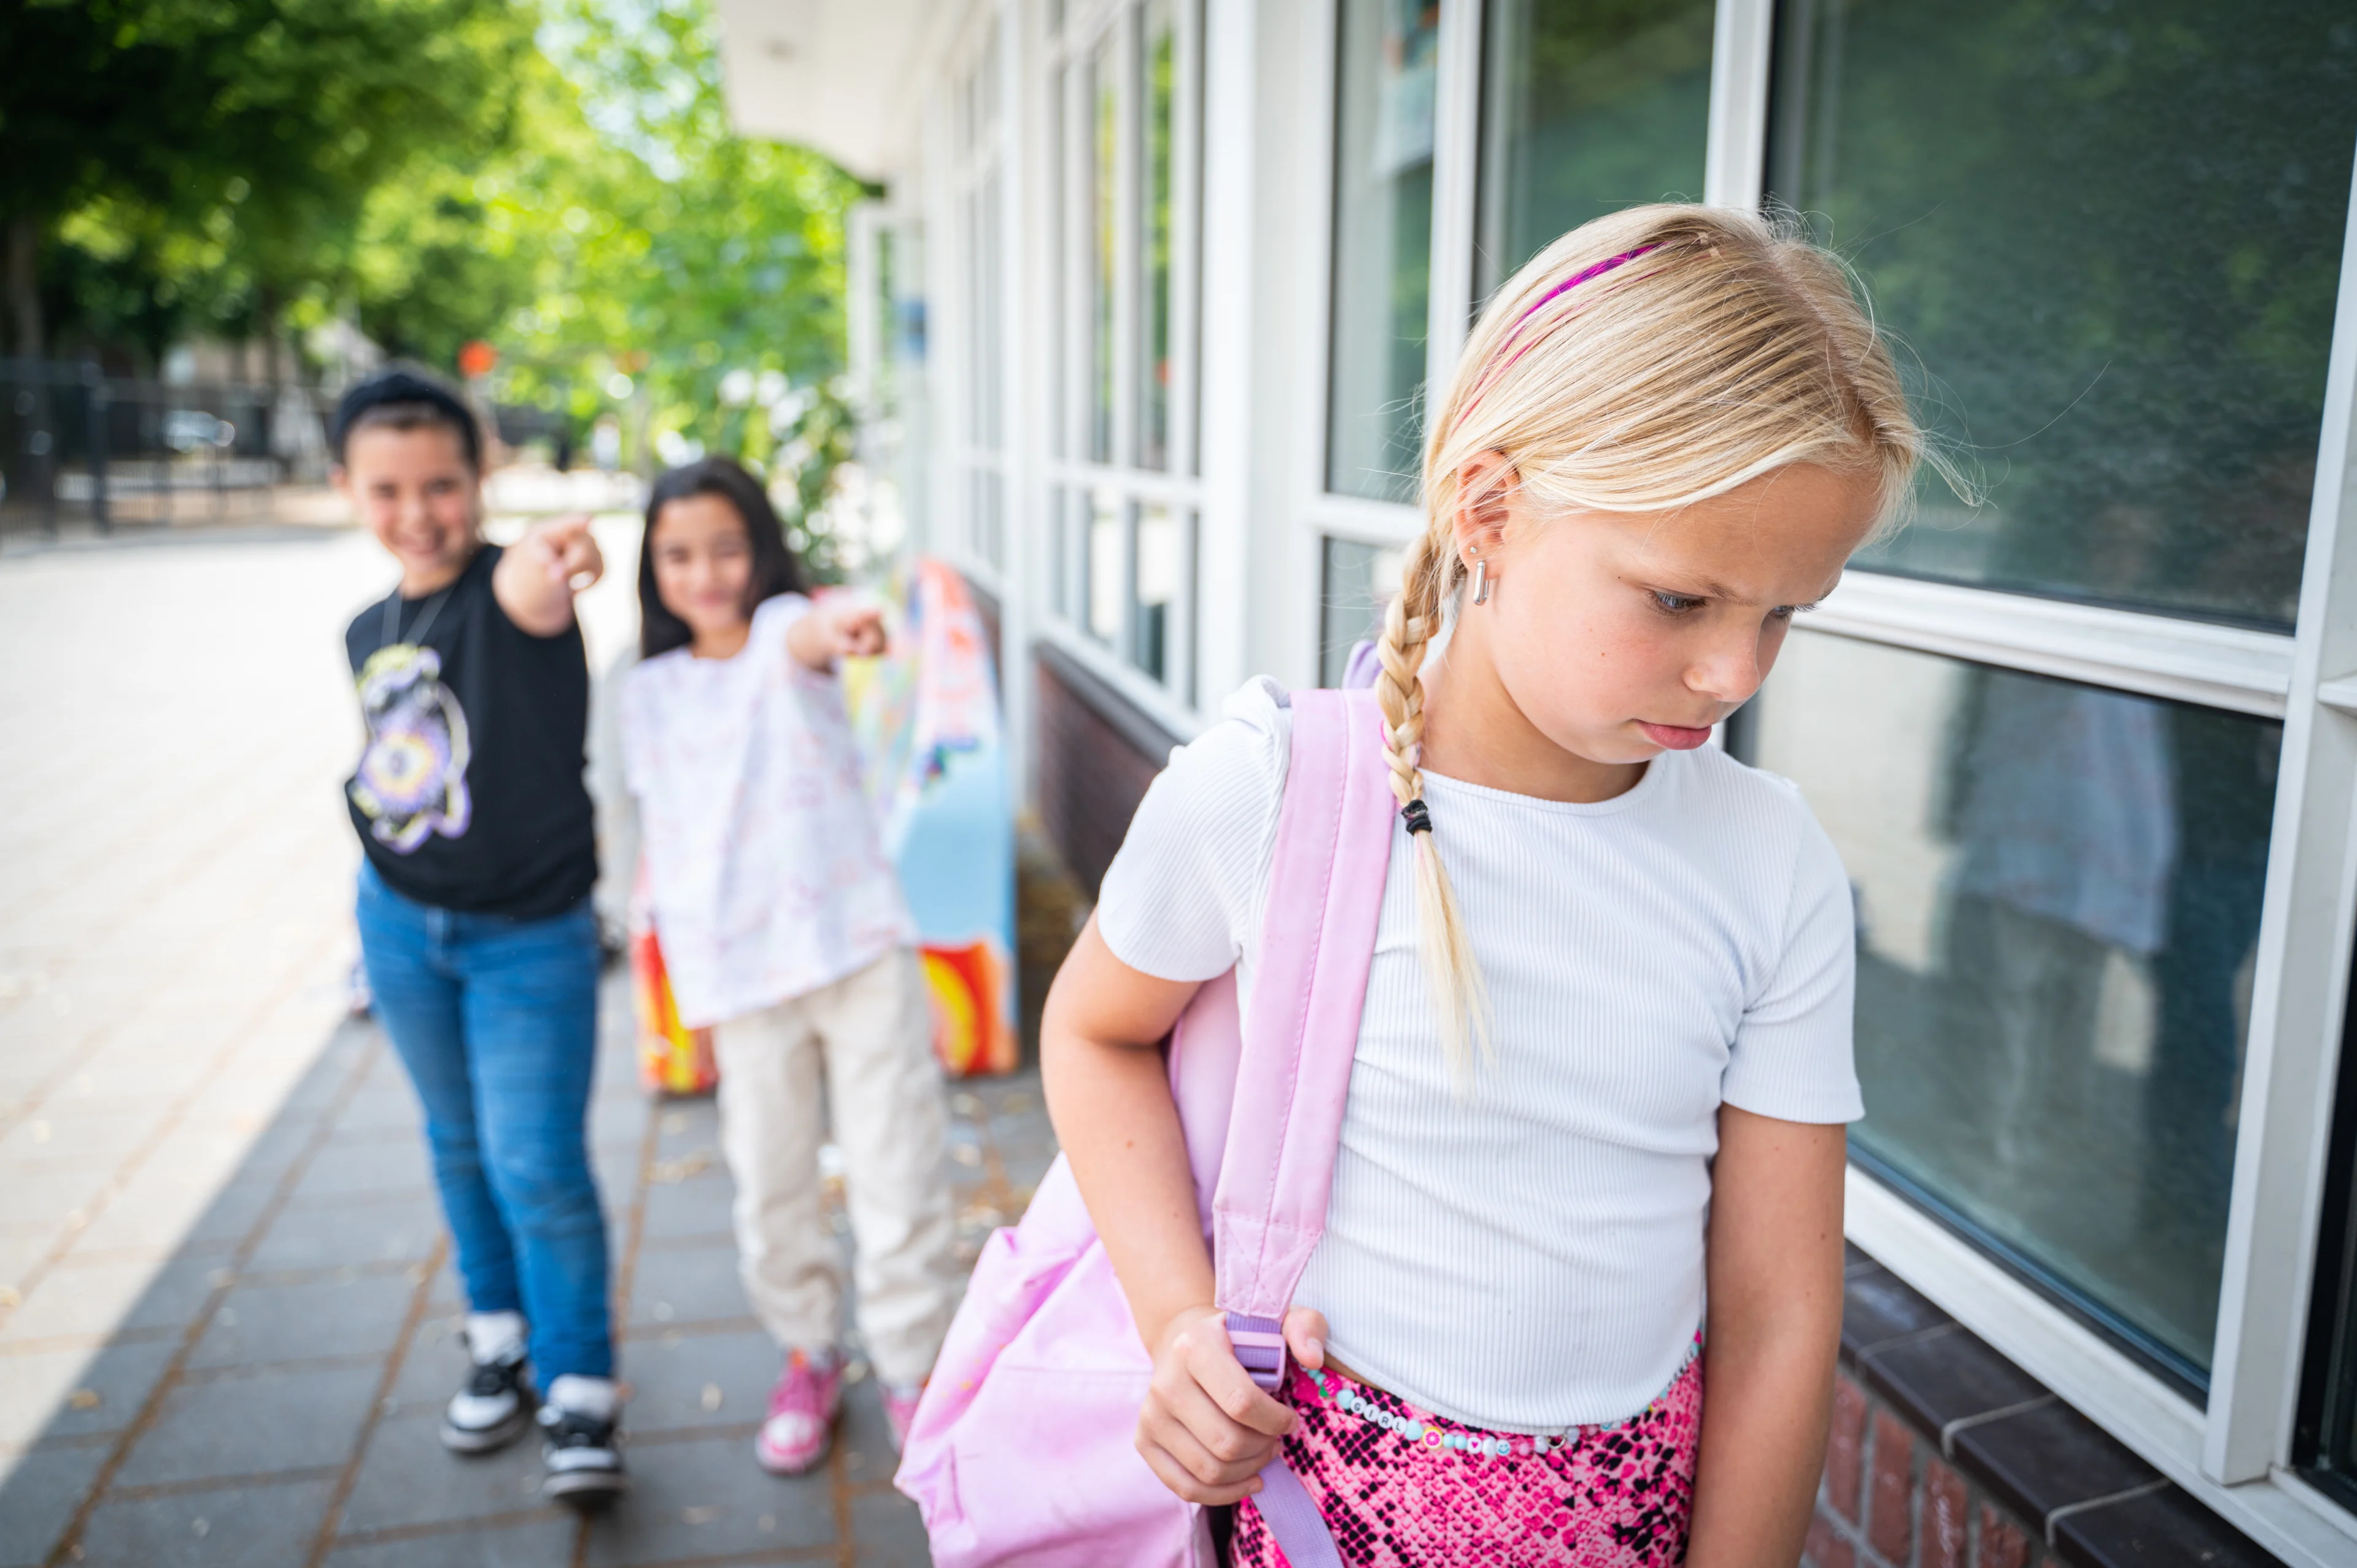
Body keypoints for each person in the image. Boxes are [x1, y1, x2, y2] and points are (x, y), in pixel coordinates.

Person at [1041, 204, 1951, 1564]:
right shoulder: (1275, 785)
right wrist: (1179, 1320)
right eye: (1680, 600)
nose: (1737, 675)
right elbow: (1095, 1026)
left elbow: (1774, 1314)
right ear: (1489, 507)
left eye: (1785, 612)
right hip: (1320, 1514)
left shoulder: (1773, 861)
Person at [617, 456, 958, 1475]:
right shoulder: (645, 691)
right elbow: (662, 841)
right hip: (742, 981)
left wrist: (849, 623)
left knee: (898, 1174)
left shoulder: (781, 637)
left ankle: (912, 1368)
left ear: (760, 548)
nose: (706, 572)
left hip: (855, 954)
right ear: (654, 568)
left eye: (726, 546)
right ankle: (808, 1351)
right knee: (770, 1188)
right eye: (678, 554)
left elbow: (819, 624)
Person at [333, 366, 626, 1506]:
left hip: (529, 940)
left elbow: (544, 580)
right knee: (455, 1143)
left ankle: (580, 1390)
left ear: (481, 477)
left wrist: (560, 556)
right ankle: (498, 1335)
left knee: (538, 1163)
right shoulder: (366, 626)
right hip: (400, 925)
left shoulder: (511, 587)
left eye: (443, 484)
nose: (419, 511)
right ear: (348, 488)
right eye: (388, 487)